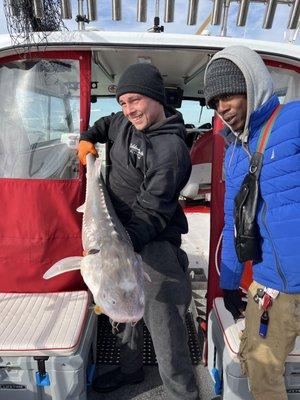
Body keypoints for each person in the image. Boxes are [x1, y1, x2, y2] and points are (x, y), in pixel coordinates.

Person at [78, 63, 200, 400]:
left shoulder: (170, 151)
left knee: (164, 324)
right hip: (116, 230)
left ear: (157, 98)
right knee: (121, 306)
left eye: (136, 100)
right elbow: (105, 124)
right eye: (123, 102)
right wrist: (88, 139)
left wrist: (115, 248)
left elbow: (152, 212)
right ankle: (130, 370)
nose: (130, 110)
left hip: (153, 239)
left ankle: (182, 393)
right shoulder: (124, 121)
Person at [204, 45, 300, 400]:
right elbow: (233, 225)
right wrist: (229, 283)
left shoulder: (295, 120)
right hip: (271, 288)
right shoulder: (232, 154)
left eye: (228, 95)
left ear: (253, 84)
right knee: (260, 370)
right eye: (215, 102)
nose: (222, 108)